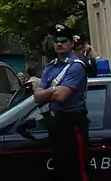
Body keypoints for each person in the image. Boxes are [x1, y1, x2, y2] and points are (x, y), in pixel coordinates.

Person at [35, 24, 90, 180]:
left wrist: (47, 92)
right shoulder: (50, 67)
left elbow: (61, 96)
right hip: (55, 122)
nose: (59, 44)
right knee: (59, 170)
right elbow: (37, 97)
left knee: (76, 170)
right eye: (56, 41)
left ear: (71, 43)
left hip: (72, 122)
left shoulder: (76, 66)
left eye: (63, 41)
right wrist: (53, 90)